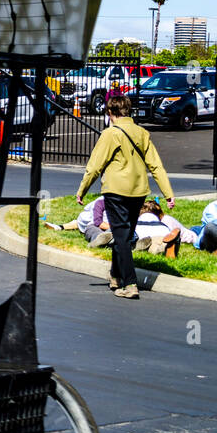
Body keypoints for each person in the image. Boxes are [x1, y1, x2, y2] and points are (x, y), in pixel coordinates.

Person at [76, 95, 175, 299]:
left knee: (122, 237)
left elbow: (95, 166)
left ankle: (130, 283)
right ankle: (115, 275)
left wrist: (82, 190)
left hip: (115, 190)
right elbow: (156, 165)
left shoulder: (110, 133)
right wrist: (168, 194)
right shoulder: (142, 132)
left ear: (110, 113)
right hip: (138, 191)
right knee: (124, 235)